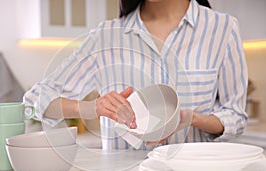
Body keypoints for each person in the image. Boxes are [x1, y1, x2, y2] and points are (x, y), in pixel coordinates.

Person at [24, 0, 248, 150]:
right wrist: (91, 107)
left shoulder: (223, 29)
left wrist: (195, 119)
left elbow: (235, 115)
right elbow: (35, 100)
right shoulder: (106, 36)